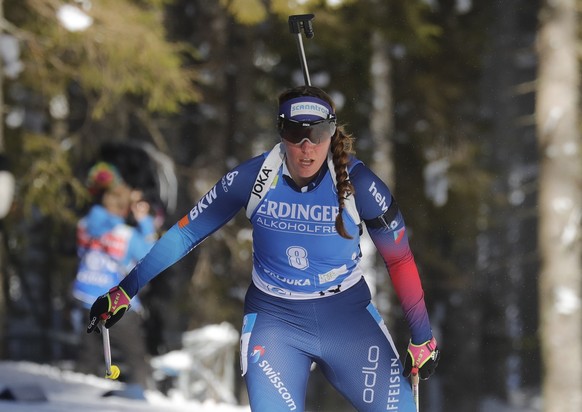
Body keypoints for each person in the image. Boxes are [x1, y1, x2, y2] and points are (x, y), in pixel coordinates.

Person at [86, 86, 440, 411]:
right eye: (294, 133)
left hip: (345, 318)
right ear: (280, 132)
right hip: (276, 323)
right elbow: (185, 233)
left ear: (331, 133)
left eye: (316, 133)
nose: (306, 146)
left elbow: (399, 257)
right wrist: (125, 289)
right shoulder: (254, 178)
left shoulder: (359, 184)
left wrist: (422, 336)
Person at [72, 162, 156, 389]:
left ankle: (77, 396)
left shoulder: (85, 225)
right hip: (118, 304)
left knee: (88, 356)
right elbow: (153, 258)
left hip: (87, 297)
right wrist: (145, 222)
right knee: (136, 357)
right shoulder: (126, 235)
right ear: (126, 207)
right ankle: (146, 394)